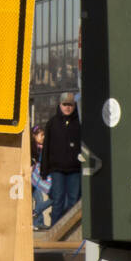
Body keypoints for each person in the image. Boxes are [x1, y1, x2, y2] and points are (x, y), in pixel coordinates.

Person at [40, 93, 81, 225]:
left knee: (73, 202)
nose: (67, 108)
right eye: (65, 104)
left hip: (75, 169)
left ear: (74, 106)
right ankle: (55, 229)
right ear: (60, 105)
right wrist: (44, 169)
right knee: (58, 200)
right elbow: (46, 147)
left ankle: (71, 230)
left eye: (70, 105)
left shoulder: (79, 123)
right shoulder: (52, 123)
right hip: (57, 169)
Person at [31, 126, 53, 230]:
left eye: (44, 135)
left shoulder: (44, 147)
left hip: (37, 179)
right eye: (41, 135)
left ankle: (37, 222)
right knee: (38, 198)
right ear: (34, 136)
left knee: (39, 199)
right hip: (32, 178)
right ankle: (37, 221)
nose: (43, 137)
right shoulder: (32, 147)